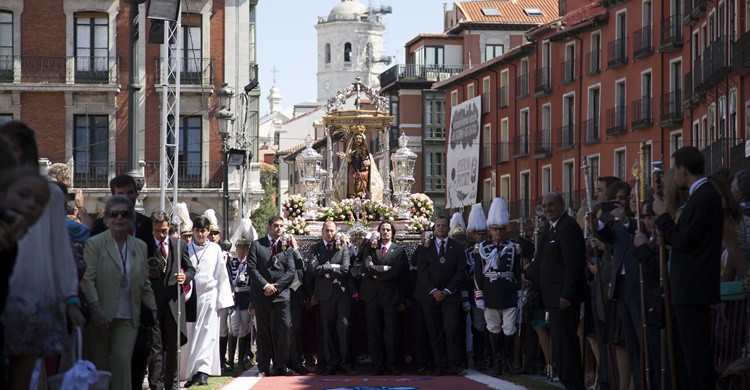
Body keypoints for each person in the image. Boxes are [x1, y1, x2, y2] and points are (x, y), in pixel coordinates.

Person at [0, 121, 85, 389]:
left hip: (32, 300)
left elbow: (59, 250)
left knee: (26, 379)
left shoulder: (49, 196)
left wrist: (70, 298)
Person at [653, 146, 724, 390]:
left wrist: (662, 217)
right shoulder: (703, 196)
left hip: (693, 288)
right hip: (692, 287)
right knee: (692, 354)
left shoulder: (703, 197)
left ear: (683, 169)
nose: (674, 175)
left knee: (696, 356)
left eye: (675, 170)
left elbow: (684, 241)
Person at [81, 194, 157, 390]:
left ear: (131, 219)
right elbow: (87, 279)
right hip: (101, 315)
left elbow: (145, 282)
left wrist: (153, 311)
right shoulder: (95, 244)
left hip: (128, 316)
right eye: (114, 214)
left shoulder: (139, 246)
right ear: (106, 218)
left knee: (122, 363)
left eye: (124, 214)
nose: (119, 218)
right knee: (101, 368)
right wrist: (95, 306)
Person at [593, 181, 643, 390]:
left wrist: (625, 219)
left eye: (628, 198)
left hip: (637, 286)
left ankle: (641, 383)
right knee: (629, 341)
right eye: (622, 199)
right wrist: (599, 221)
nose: (624, 202)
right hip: (620, 286)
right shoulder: (621, 225)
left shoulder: (638, 223)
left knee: (641, 341)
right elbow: (609, 238)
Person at [537, 192, 586, 389]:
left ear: (562, 205)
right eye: (544, 205)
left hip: (563, 300)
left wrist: (567, 294)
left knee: (566, 349)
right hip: (554, 299)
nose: (547, 208)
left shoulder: (568, 227)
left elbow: (573, 265)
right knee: (561, 349)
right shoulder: (552, 229)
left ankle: (574, 386)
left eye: (551, 204)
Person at [180, 216, 234, 387]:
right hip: (190, 298)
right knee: (190, 335)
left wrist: (222, 301)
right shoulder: (186, 248)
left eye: (203, 231)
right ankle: (190, 372)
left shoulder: (215, 250)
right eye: (197, 230)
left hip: (209, 297)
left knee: (207, 335)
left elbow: (221, 276)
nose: (200, 234)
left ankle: (203, 372)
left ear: (208, 231)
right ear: (193, 231)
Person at [146, 210, 195, 390]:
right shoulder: (146, 246)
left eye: (164, 230)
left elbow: (191, 269)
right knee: (155, 348)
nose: (161, 234)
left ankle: (171, 384)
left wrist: (185, 277)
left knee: (173, 347)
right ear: (152, 230)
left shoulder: (179, 244)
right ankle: (156, 385)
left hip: (175, 303)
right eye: (158, 230)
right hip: (154, 304)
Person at [415, 215, 467, 376]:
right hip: (430, 296)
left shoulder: (457, 247)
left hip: (450, 296)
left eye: (444, 226)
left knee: (451, 330)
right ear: (434, 229)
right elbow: (421, 271)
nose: (441, 228)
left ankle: (454, 365)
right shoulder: (425, 247)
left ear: (449, 229)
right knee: (435, 333)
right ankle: (439, 365)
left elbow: (460, 272)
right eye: (438, 226)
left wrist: (446, 291)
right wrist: (434, 291)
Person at [473, 198, 520, 376]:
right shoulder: (481, 248)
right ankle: (496, 361)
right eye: (495, 229)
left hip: (508, 292)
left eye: (501, 229)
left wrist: (519, 293)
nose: (498, 232)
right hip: (490, 291)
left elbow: (517, 272)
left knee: (509, 328)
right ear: (490, 230)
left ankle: (507, 360)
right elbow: (477, 274)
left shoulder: (512, 247)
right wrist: (479, 294)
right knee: (492, 327)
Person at [248, 216, 297, 377]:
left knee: (285, 327)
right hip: (263, 294)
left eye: (281, 226)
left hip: (281, 294)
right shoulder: (257, 244)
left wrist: (276, 287)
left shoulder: (287, 247)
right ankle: (263, 367)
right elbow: (252, 268)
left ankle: (280, 364)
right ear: (269, 227)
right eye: (276, 225)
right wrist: (265, 285)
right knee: (263, 331)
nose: (279, 229)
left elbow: (291, 271)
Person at [360, 221, 409, 375]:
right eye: (383, 230)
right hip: (372, 296)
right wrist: (385, 269)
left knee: (391, 333)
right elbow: (366, 267)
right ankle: (377, 365)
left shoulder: (399, 251)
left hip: (391, 297)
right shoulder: (371, 247)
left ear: (392, 233)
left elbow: (398, 272)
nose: (385, 232)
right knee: (374, 332)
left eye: (388, 230)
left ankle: (392, 364)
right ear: (379, 231)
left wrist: (377, 274)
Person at [309, 221, 355, 375]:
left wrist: (325, 268)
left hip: (341, 293)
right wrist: (332, 267)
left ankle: (346, 364)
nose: (330, 234)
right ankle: (330, 365)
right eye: (327, 231)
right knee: (327, 330)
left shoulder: (342, 246)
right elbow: (313, 269)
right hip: (324, 294)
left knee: (343, 327)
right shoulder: (315, 248)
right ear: (322, 232)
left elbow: (345, 269)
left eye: (332, 231)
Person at [228, 219, 256, 371]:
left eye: (245, 247)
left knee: (245, 329)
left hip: (246, 298)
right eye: (239, 247)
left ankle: (242, 359)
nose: (242, 250)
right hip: (234, 298)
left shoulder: (250, 265)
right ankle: (230, 360)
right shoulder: (231, 263)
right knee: (234, 329)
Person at [466, 204, 489, 372]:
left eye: (482, 233)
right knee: (478, 327)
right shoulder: (467, 252)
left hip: (492, 293)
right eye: (477, 233)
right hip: (475, 293)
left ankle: (491, 356)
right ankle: (479, 356)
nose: (480, 236)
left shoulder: (490, 249)